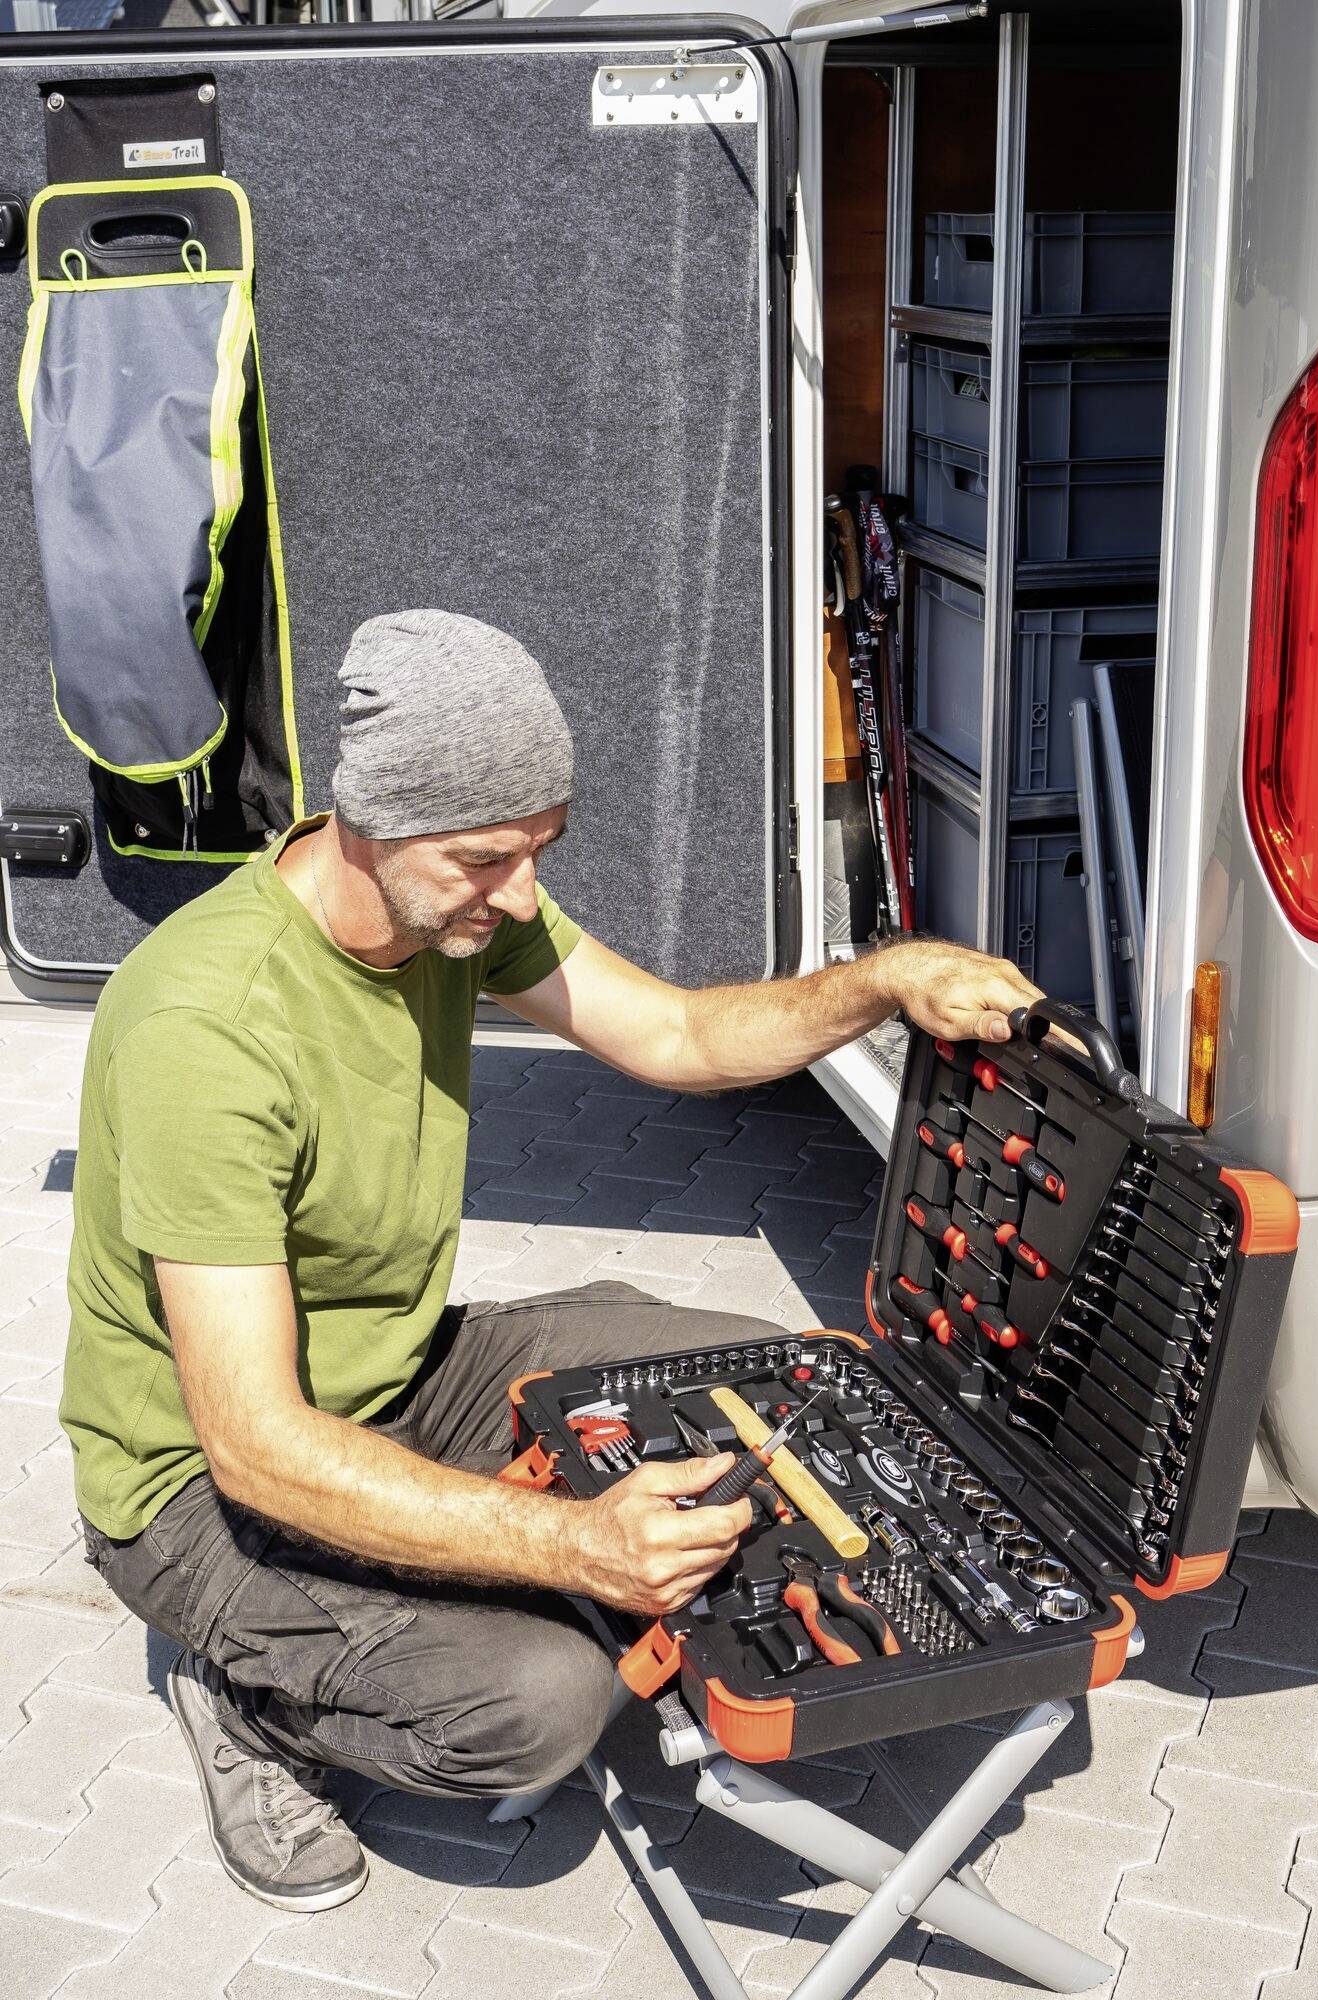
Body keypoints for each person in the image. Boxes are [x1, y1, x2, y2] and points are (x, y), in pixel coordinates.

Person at [61, 609, 1040, 1913]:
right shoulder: (208, 1030)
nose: (520, 895)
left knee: (702, 1359)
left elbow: (686, 1037)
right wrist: (573, 1548)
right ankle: (250, 1700)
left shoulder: (456, 904)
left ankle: (460, 1570)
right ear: (371, 821)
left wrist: (885, 980)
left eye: (539, 852)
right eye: (483, 858)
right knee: (537, 1705)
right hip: (198, 1489)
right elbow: (255, 1445)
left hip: (388, 1379)